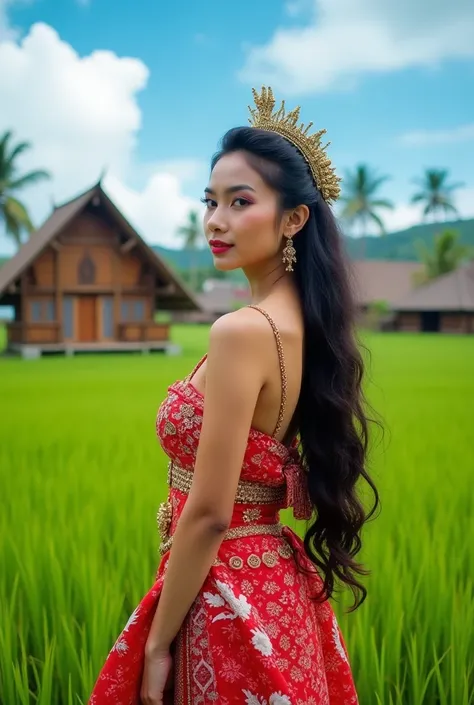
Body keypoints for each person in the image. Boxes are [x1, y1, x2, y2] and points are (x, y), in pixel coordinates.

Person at [89, 86, 379, 705]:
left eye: (240, 201)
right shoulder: (303, 323)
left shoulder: (242, 332)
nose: (215, 220)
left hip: (226, 597)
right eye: (210, 201)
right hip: (280, 587)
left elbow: (210, 511)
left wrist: (159, 642)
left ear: (294, 218)